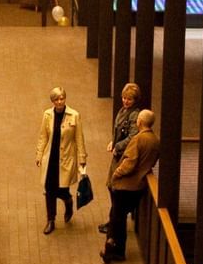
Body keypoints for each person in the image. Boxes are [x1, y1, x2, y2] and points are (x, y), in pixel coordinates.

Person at [103, 110, 158, 262]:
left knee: (116, 218)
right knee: (118, 217)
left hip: (125, 185)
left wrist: (116, 174)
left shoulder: (138, 139)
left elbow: (129, 162)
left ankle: (113, 250)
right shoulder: (154, 140)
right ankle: (113, 248)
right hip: (139, 186)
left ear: (139, 122)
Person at [34, 86, 87, 235]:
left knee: (62, 189)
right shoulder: (47, 115)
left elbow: (79, 138)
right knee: (49, 189)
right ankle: (51, 220)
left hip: (66, 159)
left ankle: (68, 201)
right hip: (50, 158)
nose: (59, 102)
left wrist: (82, 158)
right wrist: (39, 155)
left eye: (62, 98)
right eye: (56, 99)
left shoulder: (74, 115)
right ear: (52, 101)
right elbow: (43, 136)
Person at [99, 82, 141, 234]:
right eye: (124, 98)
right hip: (117, 155)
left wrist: (118, 146)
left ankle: (114, 222)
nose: (125, 101)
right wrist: (113, 141)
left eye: (129, 99)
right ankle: (113, 220)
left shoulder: (134, 115)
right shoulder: (123, 111)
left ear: (135, 100)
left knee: (115, 188)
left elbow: (132, 137)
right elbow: (117, 131)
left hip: (123, 157)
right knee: (111, 185)